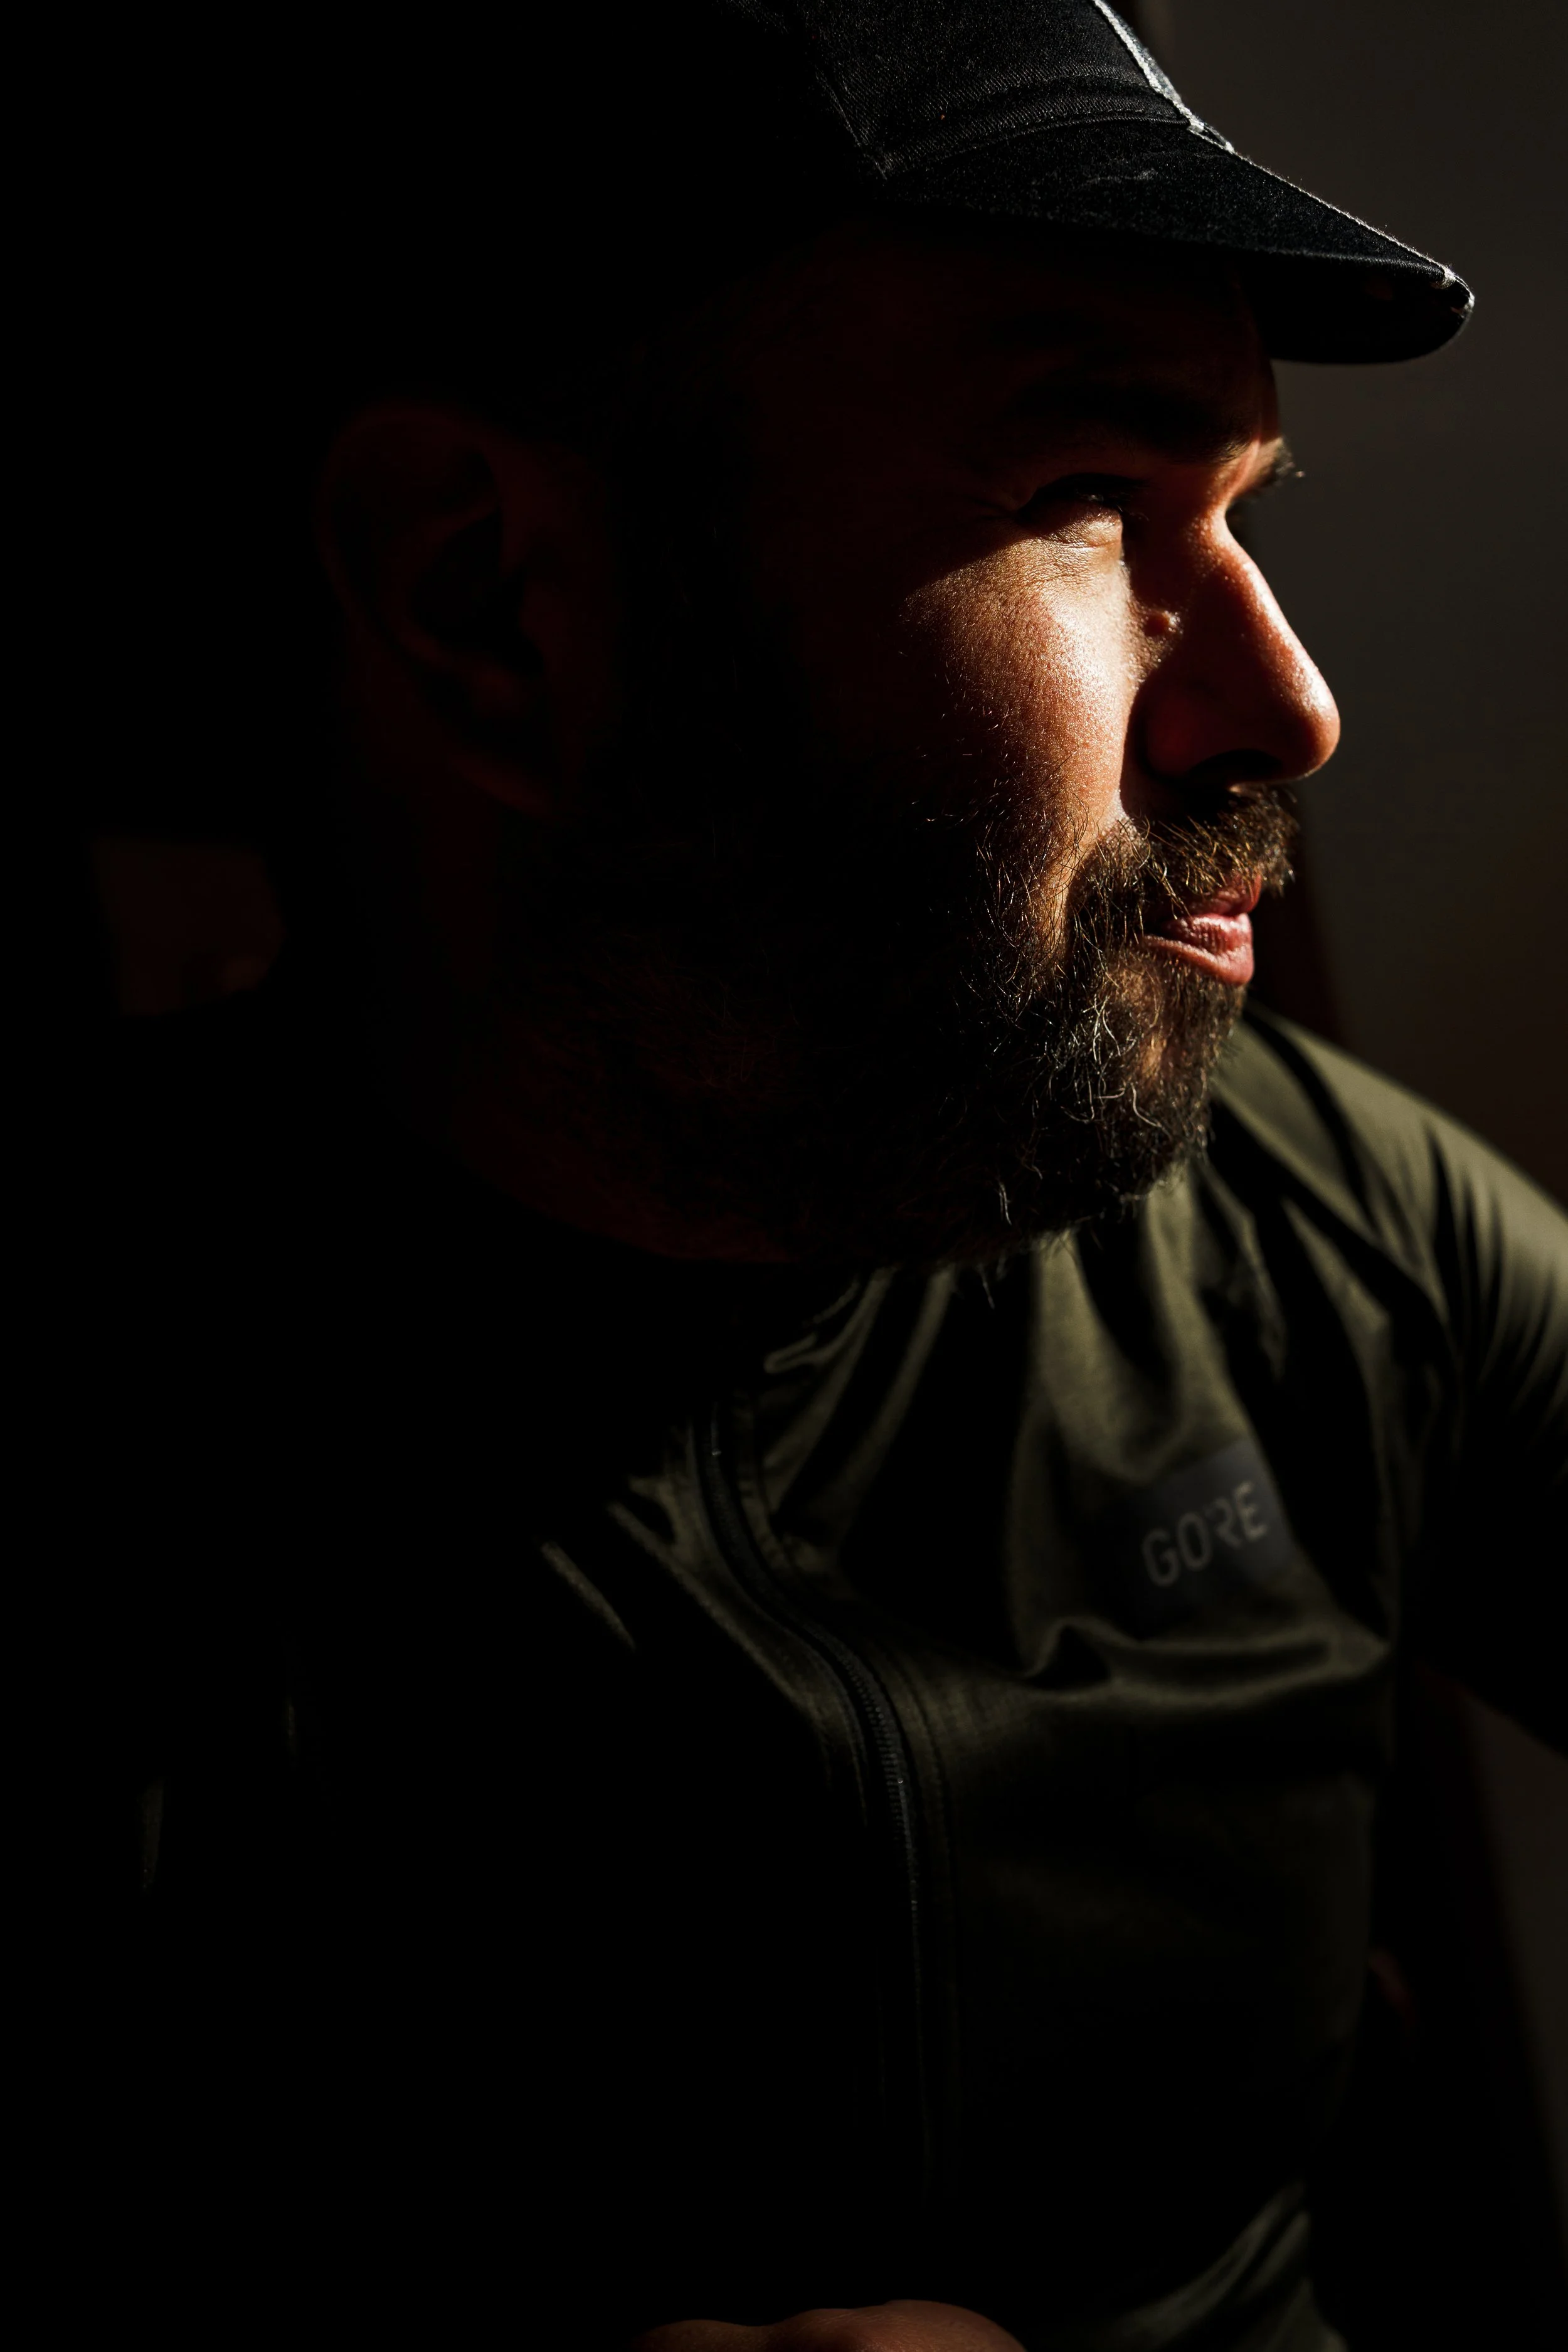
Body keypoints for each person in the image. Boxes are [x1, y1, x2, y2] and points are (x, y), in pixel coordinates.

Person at [77, 6, 1564, 2348]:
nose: (1286, 706)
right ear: (492, 604)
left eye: (1244, 518)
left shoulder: (1312, 1221)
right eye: (1086, 493)